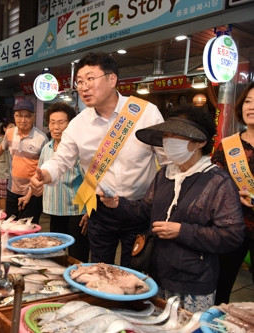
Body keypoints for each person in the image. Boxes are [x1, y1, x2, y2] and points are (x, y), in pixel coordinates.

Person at [100, 106, 244, 312]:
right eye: (166, 135)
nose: (168, 140)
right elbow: (145, 210)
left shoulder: (217, 181)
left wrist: (182, 231)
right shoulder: (165, 174)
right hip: (156, 273)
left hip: (193, 282)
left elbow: (232, 235)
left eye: (176, 135)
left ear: (200, 142)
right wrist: (117, 204)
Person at [30, 52, 168, 267]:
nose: (84, 87)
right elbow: (60, 160)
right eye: (79, 82)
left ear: (112, 79)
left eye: (90, 79)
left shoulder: (146, 114)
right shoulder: (78, 124)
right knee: (99, 270)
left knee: (133, 271)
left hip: (139, 208)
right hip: (100, 210)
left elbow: (167, 163)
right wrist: (44, 175)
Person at [212, 82, 254, 304]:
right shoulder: (229, 145)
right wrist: (232, 195)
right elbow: (214, 182)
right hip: (233, 227)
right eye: (248, 101)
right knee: (221, 285)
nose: (251, 107)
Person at [0, 100, 48, 224]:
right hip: (12, 189)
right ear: (14, 117)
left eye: (27, 116)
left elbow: (43, 169)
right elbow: (1, 148)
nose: (23, 120)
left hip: (32, 192)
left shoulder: (42, 139)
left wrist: (30, 193)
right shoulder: (10, 133)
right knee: (10, 225)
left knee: (28, 228)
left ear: (33, 117)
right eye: (19, 116)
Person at [39, 102, 89, 262]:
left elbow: (90, 180)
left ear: (70, 124)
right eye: (52, 122)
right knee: (56, 255)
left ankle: (78, 286)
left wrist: (90, 211)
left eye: (61, 122)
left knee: (77, 256)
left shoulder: (79, 150)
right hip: (54, 210)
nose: (56, 127)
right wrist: (28, 195)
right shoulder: (46, 148)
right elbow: (40, 174)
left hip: (76, 213)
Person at [0, 120, 14, 210]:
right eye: (10, 127)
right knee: (3, 196)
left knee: (6, 196)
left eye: (14, 127)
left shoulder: (13, 139)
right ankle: (3, 216)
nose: (13, 129)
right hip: (1, 172)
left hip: (9, 172)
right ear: (4, 129)